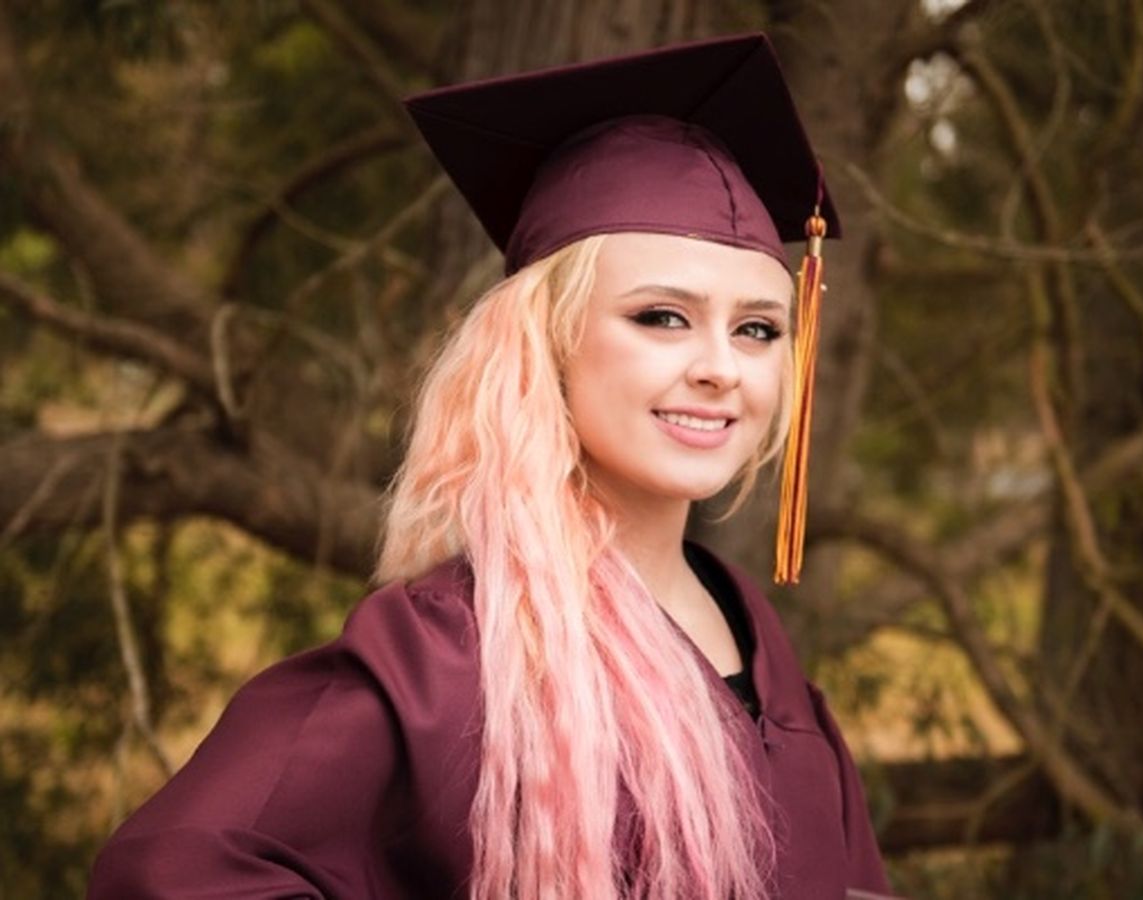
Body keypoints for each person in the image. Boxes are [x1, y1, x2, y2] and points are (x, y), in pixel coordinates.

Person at [88, 33, 892, 900]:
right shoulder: (450, 655)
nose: (721, 368)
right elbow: (171, 870)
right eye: (662, 317)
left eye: (758, 329)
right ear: (544, 343)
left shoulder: (767, 656)